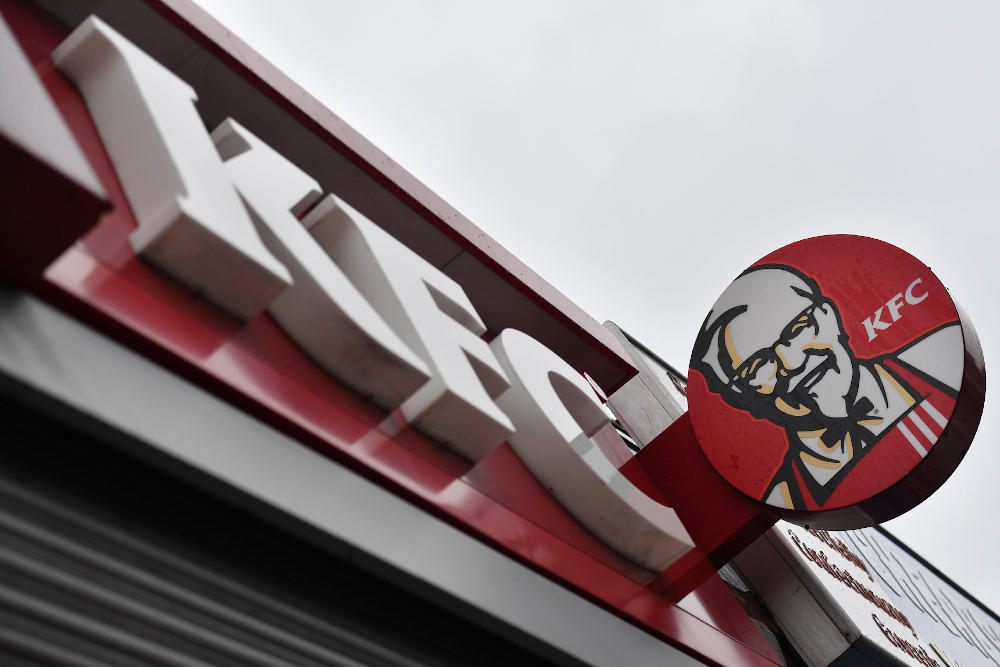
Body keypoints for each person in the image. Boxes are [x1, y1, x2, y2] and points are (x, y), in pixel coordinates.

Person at [691, 265, 961, 510]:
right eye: (757, 366)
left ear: (829, 314)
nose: (793, 361)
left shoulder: (945, 359)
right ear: (740, 399)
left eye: (798, 327)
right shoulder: (784, 497)